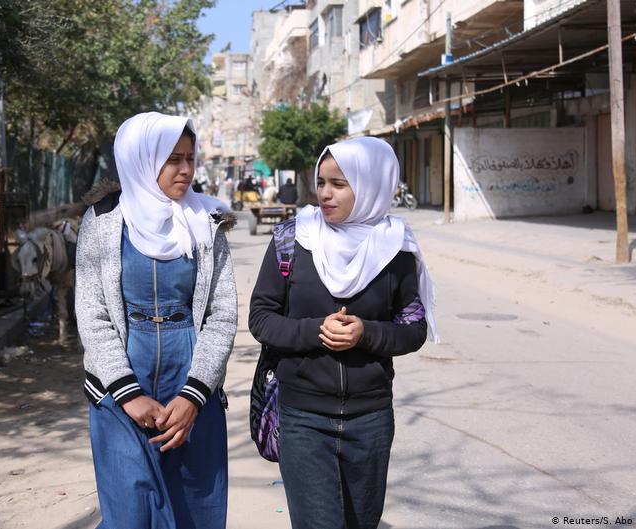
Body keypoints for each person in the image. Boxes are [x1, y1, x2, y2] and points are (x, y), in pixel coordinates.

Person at [248, 137, 438, 529]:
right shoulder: (292, 239)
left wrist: (366, 334)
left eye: (339, 184)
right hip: (302, 417)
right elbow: (261, 318)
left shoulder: (395, 248)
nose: (325, 194)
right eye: (321, 182)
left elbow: (413, 328)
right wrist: (316, 330)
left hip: (370, 419)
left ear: (370, 186)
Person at [76, 112, 238, 529]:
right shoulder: (102, 220)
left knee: (194, 511)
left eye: (190, 157)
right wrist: (128, 393)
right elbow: (92, 313)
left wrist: (193, 397)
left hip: (189, 378)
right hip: (118, 388)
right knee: (130, 513)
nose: (185, 170)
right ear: (142, 160)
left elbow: (222, 313)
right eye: (172, 160)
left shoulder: (207, 221)